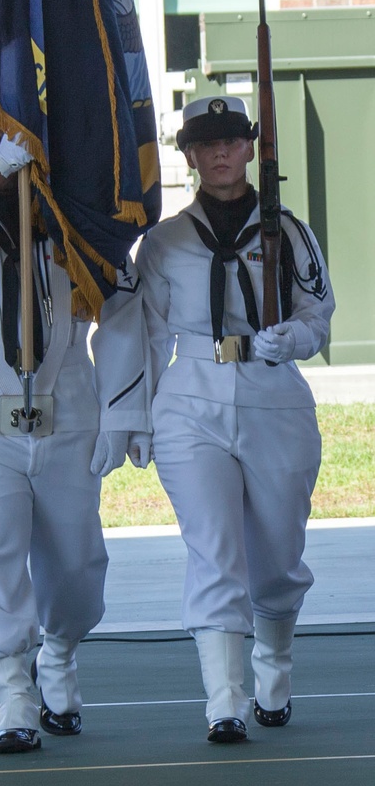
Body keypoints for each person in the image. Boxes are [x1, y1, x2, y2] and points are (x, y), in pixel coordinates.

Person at [0, 102, 149, 754]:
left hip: (67, 403)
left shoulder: (78, 229)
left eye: (22, 143)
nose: (9, 153)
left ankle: (61, 651)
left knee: (76, 560)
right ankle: (13, 691)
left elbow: (123, 312)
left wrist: (126, 409)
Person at [136, 95, 334, 744]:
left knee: (277, 557)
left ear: (251, 147)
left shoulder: (291, 233)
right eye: (204, 142)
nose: (219, 152)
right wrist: (132, 415)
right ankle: (225, 701)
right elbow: (143, 335)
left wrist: (295, 342)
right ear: (188, 154)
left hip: (275, 397)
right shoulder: (163, 242)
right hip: (191, 398)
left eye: (230, 140)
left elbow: (317, 314)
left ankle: (272, 665)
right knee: (215, 552)